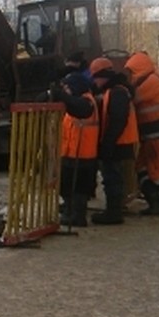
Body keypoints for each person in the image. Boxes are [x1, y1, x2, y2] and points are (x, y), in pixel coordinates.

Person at [124, 51, 159, 215]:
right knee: (143, 165)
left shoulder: (147, 83)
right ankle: (155, 200)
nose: (130, 76)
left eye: (131, 72)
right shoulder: (153, 78)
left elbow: (131, 99)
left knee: (155, 167)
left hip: (157, 130)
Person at [88, 57, 138, 225]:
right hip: (120, 142)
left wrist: (108, 143)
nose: (94, 81)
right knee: (114, 176)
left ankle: (113, 212)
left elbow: (118, 119)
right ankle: (114, 209)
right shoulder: (118, 90)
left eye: (95, 77)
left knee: (112, 177)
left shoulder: (116, 92)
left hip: (117, 143)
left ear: (102, 76)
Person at [51, 71, 99, 227]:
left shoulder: (86, 102)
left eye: (67, 87)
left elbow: (79, 108)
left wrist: (61, 96)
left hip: (83, 153)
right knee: (67, 186)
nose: (66, 90)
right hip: (71, 152)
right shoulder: (76, 102)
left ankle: (77, 216)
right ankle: (70, 212)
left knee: (79, 188)